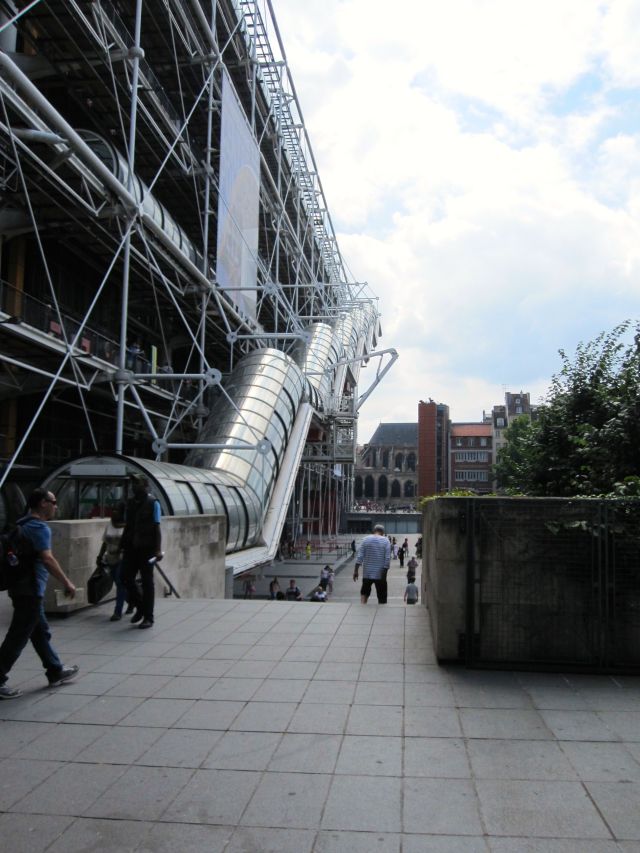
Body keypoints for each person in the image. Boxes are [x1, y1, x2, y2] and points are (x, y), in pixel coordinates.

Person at [0, 488, 78, 699]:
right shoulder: (40, 528)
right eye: (53, 502)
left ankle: (55, 670)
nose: (56, 506)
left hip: (19, 587)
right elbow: (47, 559)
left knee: (39, 632)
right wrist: (67, 582)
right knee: (18, 636)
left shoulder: (22, 523)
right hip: (31, 590)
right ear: (43, 503)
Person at [121, 474, 162, 629]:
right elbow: (127, 526)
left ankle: (148, 617)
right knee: (125, 577)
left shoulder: (153, 503)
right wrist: (121, 545)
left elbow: (157, 527)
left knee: (147, 582)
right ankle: (141, 607)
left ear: (145, 486)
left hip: (147, 548)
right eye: (132, 483)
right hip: (131, 547)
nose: (133, 486)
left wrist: (157, 549)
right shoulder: (130, 503)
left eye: (136, 483)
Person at [96, 502, 128, 621]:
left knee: (120, 582)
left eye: (117, 510)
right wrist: (100, 556)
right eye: (113, 509)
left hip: (122, 558)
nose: (114, 512)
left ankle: (117, 611)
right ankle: (132, 600)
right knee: (118, 582)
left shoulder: (127, 526)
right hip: (110, 558)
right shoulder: (110, 524)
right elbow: (105, 542)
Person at [353, 523, 391, 605]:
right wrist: (384, 574)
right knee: (382, 596)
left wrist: (356, 571)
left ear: (374, 531)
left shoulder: (365, 539)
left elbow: (360, 556)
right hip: (380, 574)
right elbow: (387, 558)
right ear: (383, 532)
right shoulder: (386, 540)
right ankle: (381, 610)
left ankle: (363, 605)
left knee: (364, 593)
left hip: (367, 573)